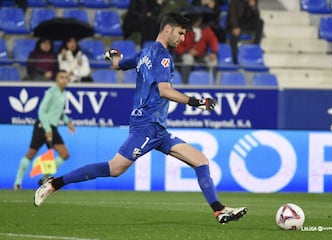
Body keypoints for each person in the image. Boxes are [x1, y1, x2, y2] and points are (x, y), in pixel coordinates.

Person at [34, 12, 247, 224]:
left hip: (157, 129)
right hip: (147, 126)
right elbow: (165, 90)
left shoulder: (144, 53)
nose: (182, 39)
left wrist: (113, 55)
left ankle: (219, 211)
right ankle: (54, 184)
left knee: (200, 161)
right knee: (115, 168)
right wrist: (197, 102)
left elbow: (118, 64)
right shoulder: (162, 56)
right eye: (180, 33)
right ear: (168, 29)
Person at [14, 70, 75, 190]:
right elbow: (41, 111)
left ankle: (43, 178)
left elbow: (59, 112)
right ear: (57, 79)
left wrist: (68, 122)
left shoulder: (63, 94)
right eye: (61, 77)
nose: (64, 80)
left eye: (66, 78)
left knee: (65, 154)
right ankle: (17, 182)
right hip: (42, 126)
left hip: (52, 127)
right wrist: (47, 129)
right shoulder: (51, 92)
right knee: (31, 154)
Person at [174, 13, 218, 82]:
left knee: (213, 61)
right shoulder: (184, 30)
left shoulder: (206, 30)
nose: (198, 22)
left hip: (201, 55)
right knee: (188, 59)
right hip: (186, 54)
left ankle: (214, 84)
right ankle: (185, 83)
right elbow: (177, 45)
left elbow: (213, 41)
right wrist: (188, 51)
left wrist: (213, 52)